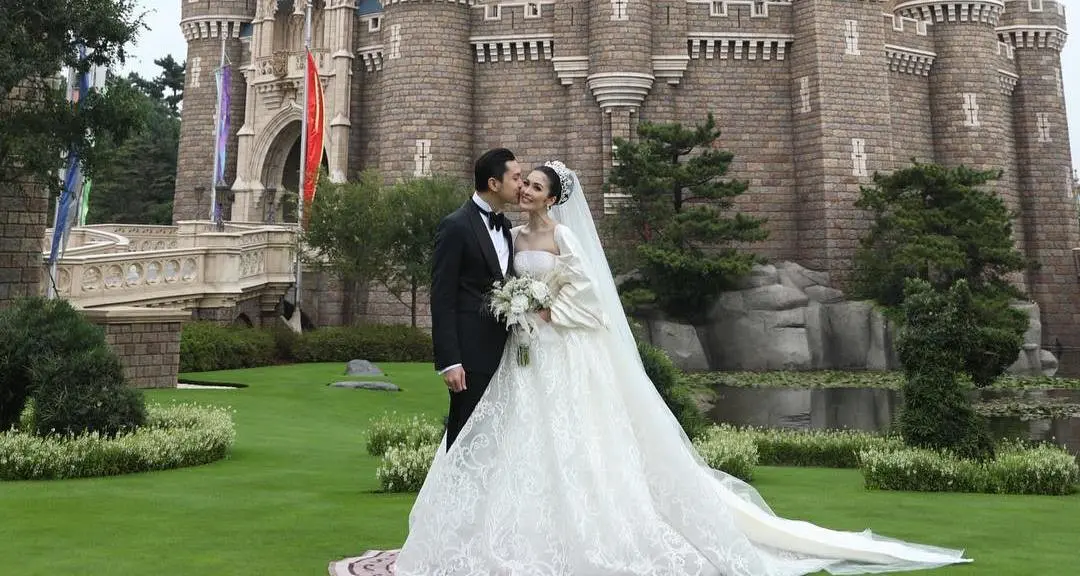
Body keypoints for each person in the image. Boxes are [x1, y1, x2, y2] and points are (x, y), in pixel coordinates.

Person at [393, 160, 972, 575]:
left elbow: (591, 295)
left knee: (576, 439)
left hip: (560, 345)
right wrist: (510, 312)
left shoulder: (563, 233)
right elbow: (472, 289)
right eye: (521, 181)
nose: (525, 189)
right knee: (521, 439)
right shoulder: (506, 232)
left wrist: (545, 306)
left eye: (534, 184)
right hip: (523, 354)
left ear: (551, 196)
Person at [430, 148, 523, 451]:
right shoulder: (455, 225)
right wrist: (450, 361)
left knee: (499, 442)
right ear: (494, 184)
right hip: (469, 360)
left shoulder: (507, 228)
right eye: (516, 178)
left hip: (506, 354)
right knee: (464, 442)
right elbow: (442, 297)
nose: (521, 185)